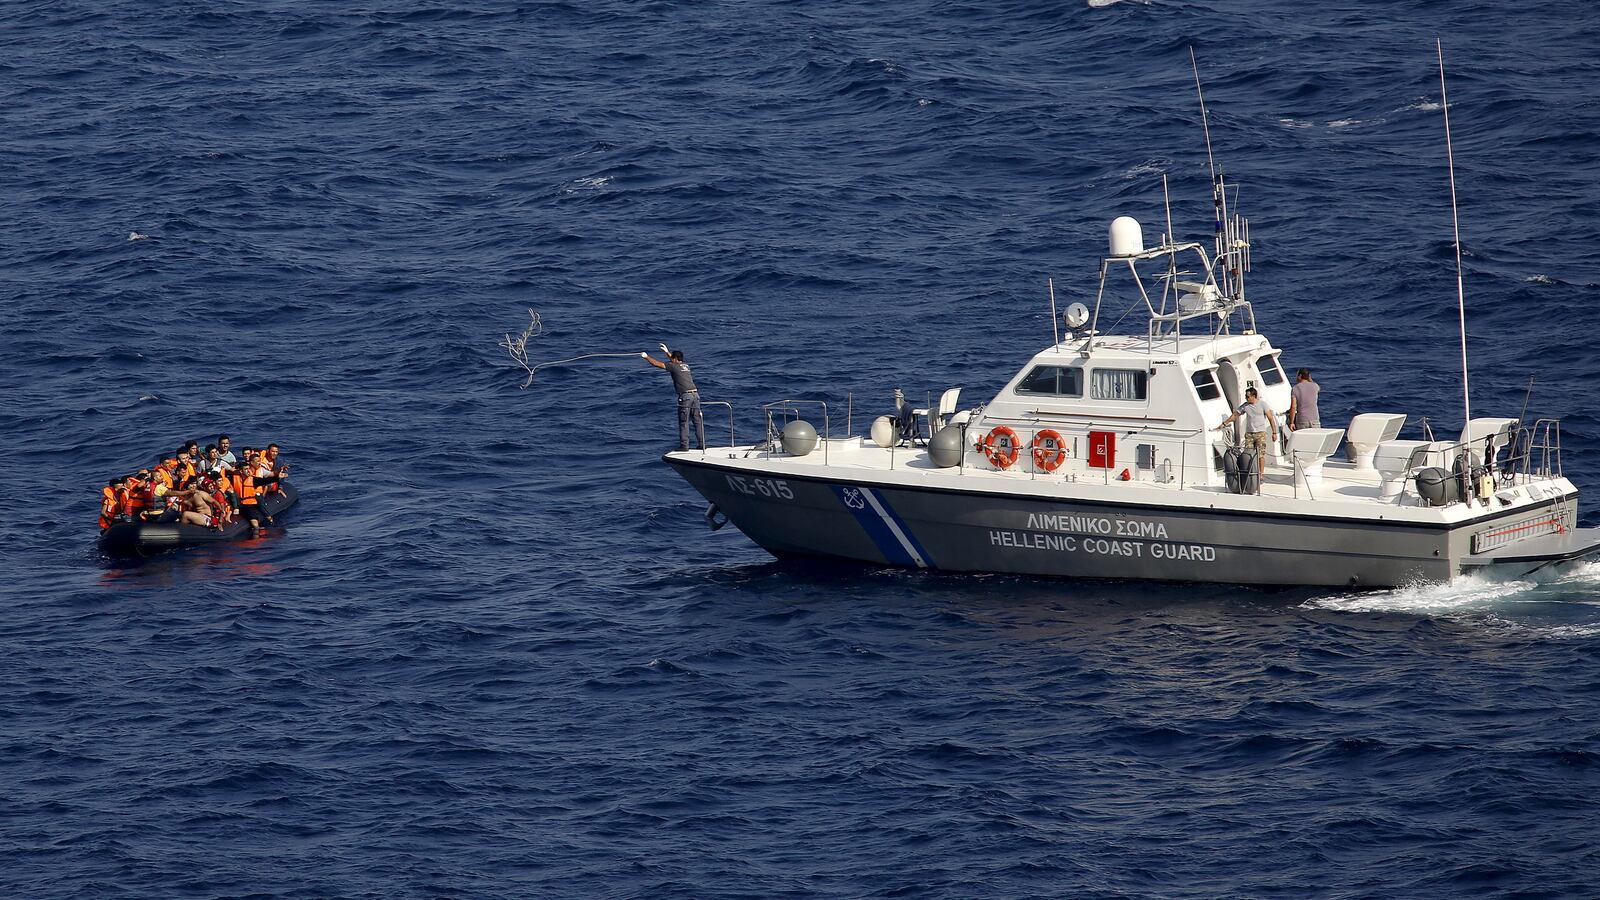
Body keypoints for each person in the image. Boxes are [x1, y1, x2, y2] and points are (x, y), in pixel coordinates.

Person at [1215, 387, 1280, 494]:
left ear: (1254, 396)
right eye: (1246, 396)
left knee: (1260, 455)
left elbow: (1270, 418)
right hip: (1249, 434)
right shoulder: (1245, 406)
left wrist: (1274, 432)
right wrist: (1224, 423)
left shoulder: (1263, 405)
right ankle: (1250, 474)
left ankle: (1261, 475)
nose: (1246, 398)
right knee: (1248, 454)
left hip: (1260, 433)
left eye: (1248, 396)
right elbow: (1235, 415)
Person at [642, 344, 705, 451]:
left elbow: (657, 364)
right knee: (697, 421)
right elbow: (674, 360)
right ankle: (702, 444)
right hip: (695, 395)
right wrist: (666, 352)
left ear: (675, 359)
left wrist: (646, 357)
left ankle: (684, 446)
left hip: (685, 396)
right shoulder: (685, 365)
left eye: (672, 358)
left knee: (683, 421)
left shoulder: (673, 366)